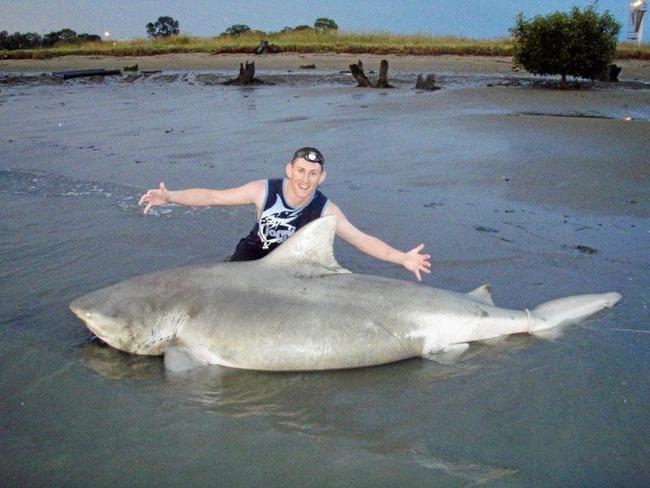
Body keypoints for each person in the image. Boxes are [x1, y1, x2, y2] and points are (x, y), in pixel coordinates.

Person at [138, 147, 431, 280]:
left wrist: (402, 258)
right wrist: (170, 196)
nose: (305, 179)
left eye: (313, 174)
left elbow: (360, 239)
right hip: (253, 258)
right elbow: (213, 197)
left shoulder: (325, 209)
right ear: (289, 170)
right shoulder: (263, 190)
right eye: (301, 171)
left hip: (297, 264)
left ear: (322, 177)